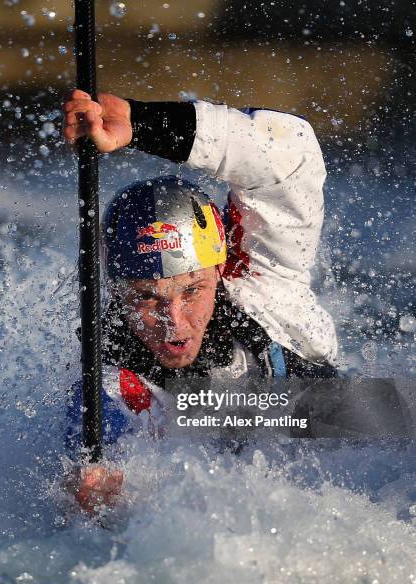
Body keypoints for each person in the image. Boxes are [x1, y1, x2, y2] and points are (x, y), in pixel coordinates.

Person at [62, 89, 338, 513]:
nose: (175, 323)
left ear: (219, 269)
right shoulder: (108, 378)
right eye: (146, 299)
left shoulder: (263, 282)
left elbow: (290, 153)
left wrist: (141, 123)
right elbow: (108, 442)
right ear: (116, 292)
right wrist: (103, 493)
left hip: (333, 437)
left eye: (192, 291)